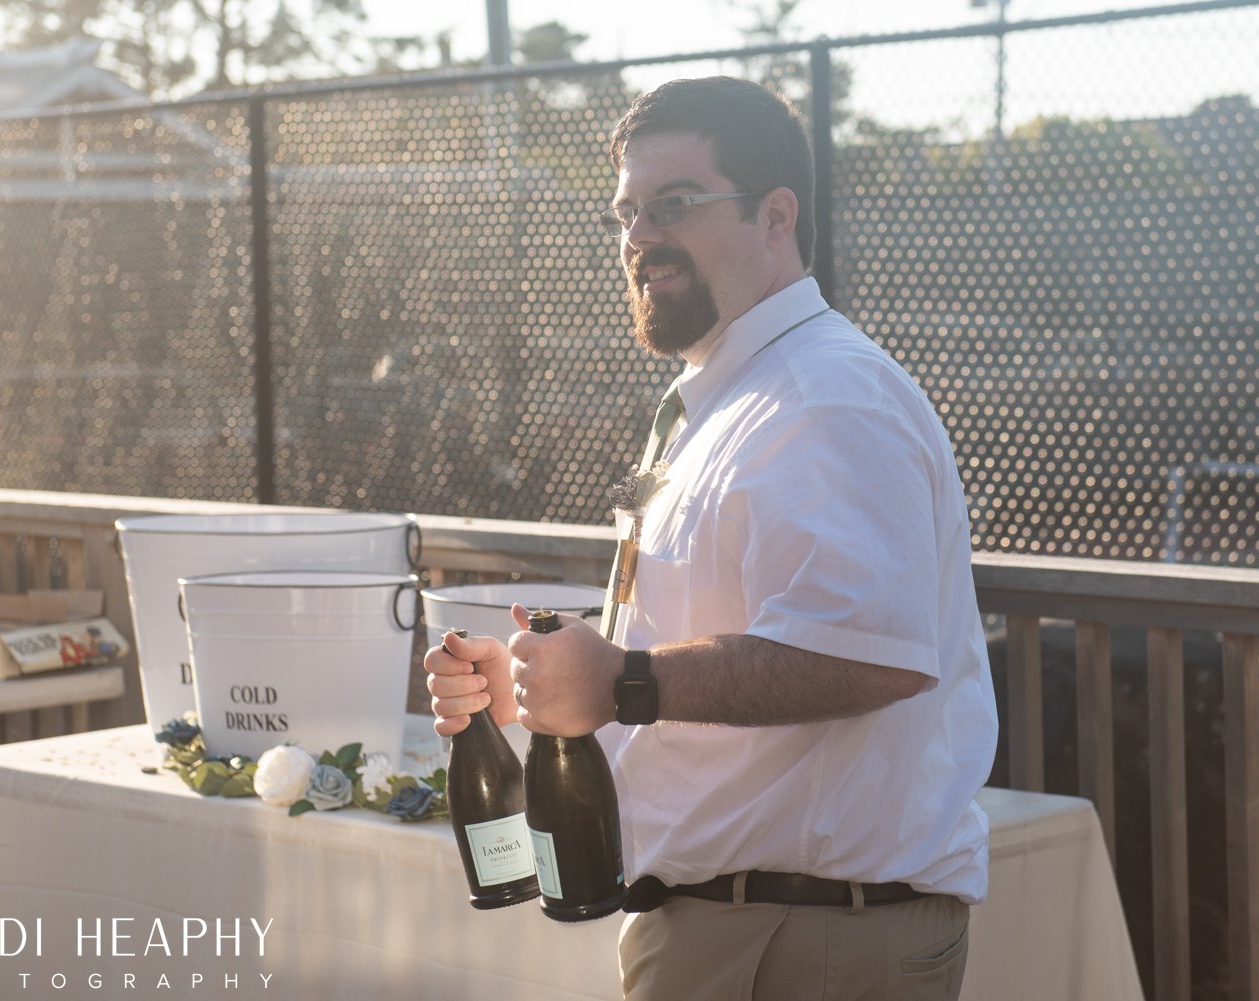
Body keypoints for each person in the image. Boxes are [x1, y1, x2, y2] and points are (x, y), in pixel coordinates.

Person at [426, 76, 998, 1001]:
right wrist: (544, 686)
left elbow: (868, 657)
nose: (639, 235)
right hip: (752, 925)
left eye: (676, 204)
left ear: (777, 216)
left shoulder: (826, 396)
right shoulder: (739, 391)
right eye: (626, 211)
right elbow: (705, 642)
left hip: (805, 937)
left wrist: (624, 682)